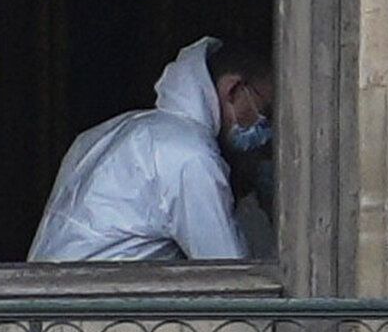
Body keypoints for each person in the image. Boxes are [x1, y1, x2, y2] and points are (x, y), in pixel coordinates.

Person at [28, 37, 274, 264]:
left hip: (46, 301)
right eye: (266, 111)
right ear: (233, 89)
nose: (268, 129)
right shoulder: (190, 156)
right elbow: (231, 276)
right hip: (94, 306)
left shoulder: (109, 132)